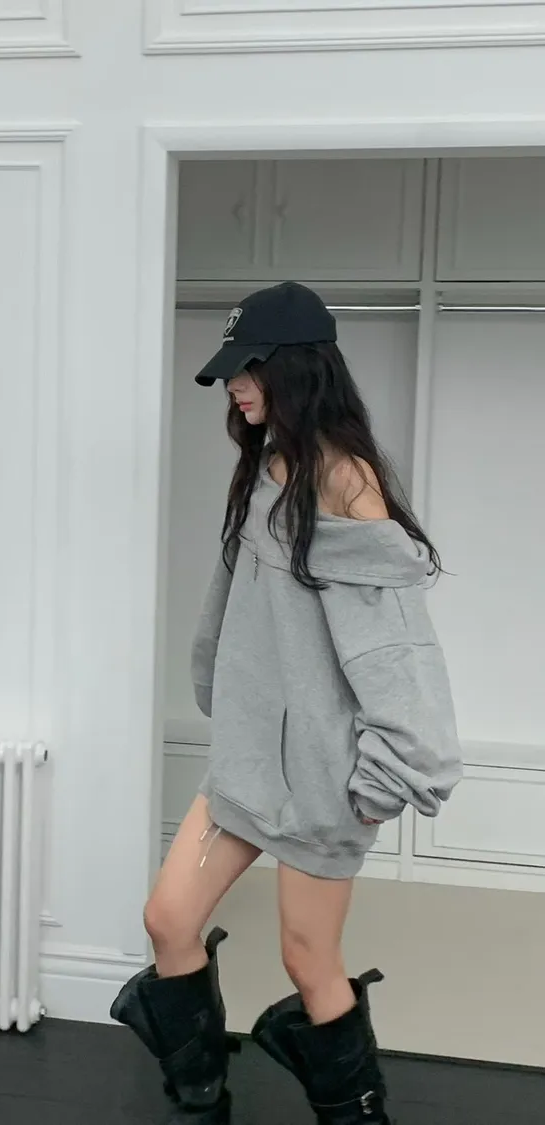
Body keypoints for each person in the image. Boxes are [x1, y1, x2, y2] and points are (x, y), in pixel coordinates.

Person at [111, 281, 463, 1124]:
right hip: (247, 764)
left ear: (297, 368)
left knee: (310, 962)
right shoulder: (270, 466)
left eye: (248, 368)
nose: (234, 386)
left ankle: (358, 1113)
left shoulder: (344, 481)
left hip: (320, 778)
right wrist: (223, 691)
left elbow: (395, 651)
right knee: (168, 919)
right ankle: (201, 1100)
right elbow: (235, 605)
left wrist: (386, 776)